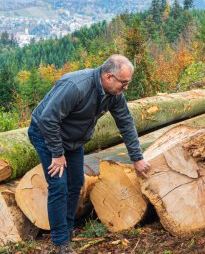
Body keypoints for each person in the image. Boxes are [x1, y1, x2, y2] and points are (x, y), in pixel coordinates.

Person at [28, 54, 150, 254]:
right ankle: (60, 244)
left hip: (73, 140)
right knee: (58, 186)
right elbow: (48, 119)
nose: (126, 87)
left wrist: (137, 157)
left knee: (75, 183)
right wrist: (57, 154)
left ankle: (66, 232)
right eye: (124, 83)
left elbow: (126, 123)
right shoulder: (76, 86)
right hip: (45, 133)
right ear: (109, 77)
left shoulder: (114, 95)